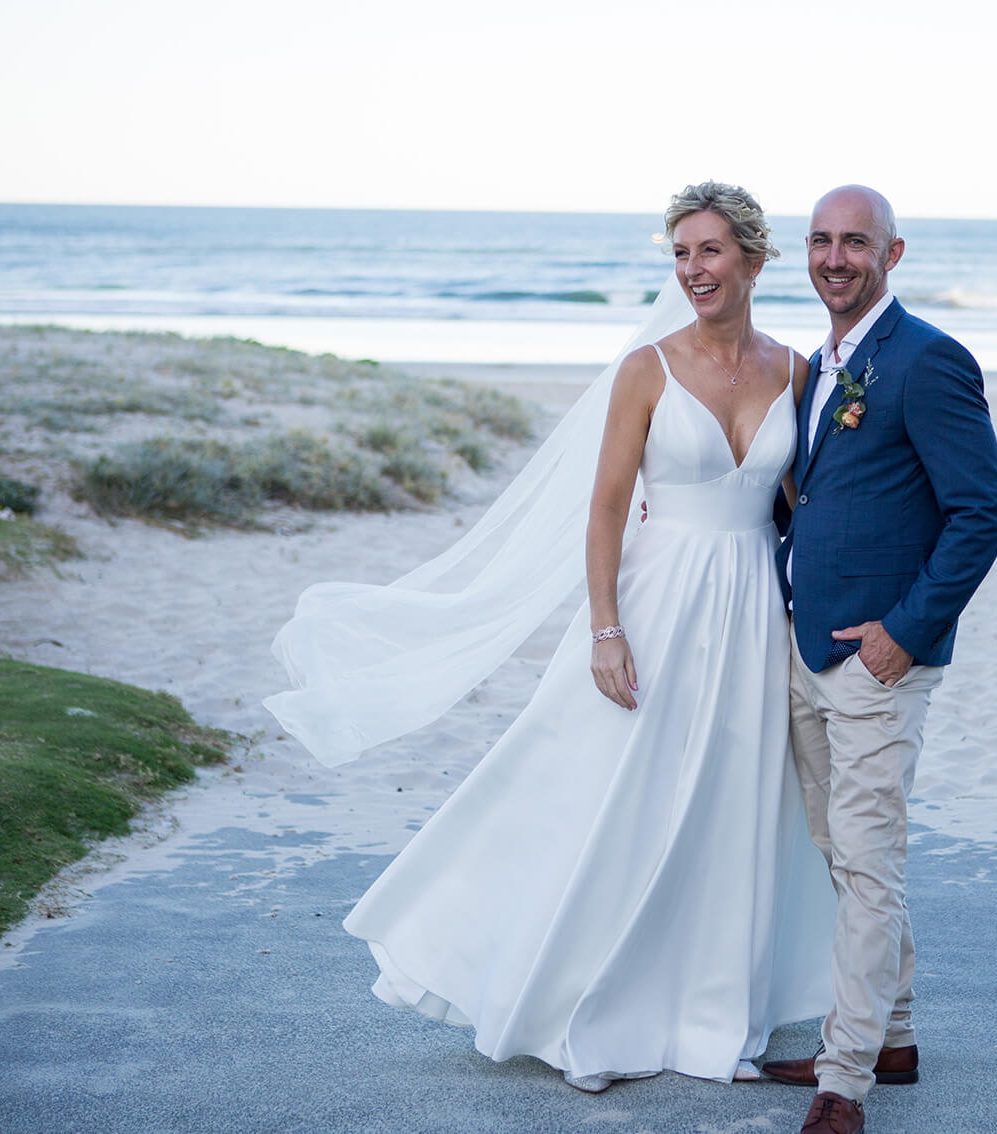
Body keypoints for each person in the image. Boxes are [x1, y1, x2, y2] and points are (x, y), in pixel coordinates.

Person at [264, 181, 836, 1093]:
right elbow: (606, 508)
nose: (694, 270)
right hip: (652, 604)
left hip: (750, 612)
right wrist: (605, 629)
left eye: (710, 252)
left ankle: (707, 1017)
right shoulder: (646, 369)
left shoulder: (798, 372)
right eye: (681, 254)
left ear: (755, 260)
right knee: (614, 799)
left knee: (729, 809)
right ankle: (583, 1014)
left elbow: (802, 508)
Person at [761, 186, 997, 1134]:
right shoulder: (820, 367)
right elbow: (814, 497)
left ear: (892, 253)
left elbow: (983, 512)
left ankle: (847, 1079)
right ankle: (894, 1035)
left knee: (869, 861)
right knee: (841, 851)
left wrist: (902, 634)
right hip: (804, 645)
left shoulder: (929, 360)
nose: (835, 258)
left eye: (854, 242)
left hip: (879, 661)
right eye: (821, 241)